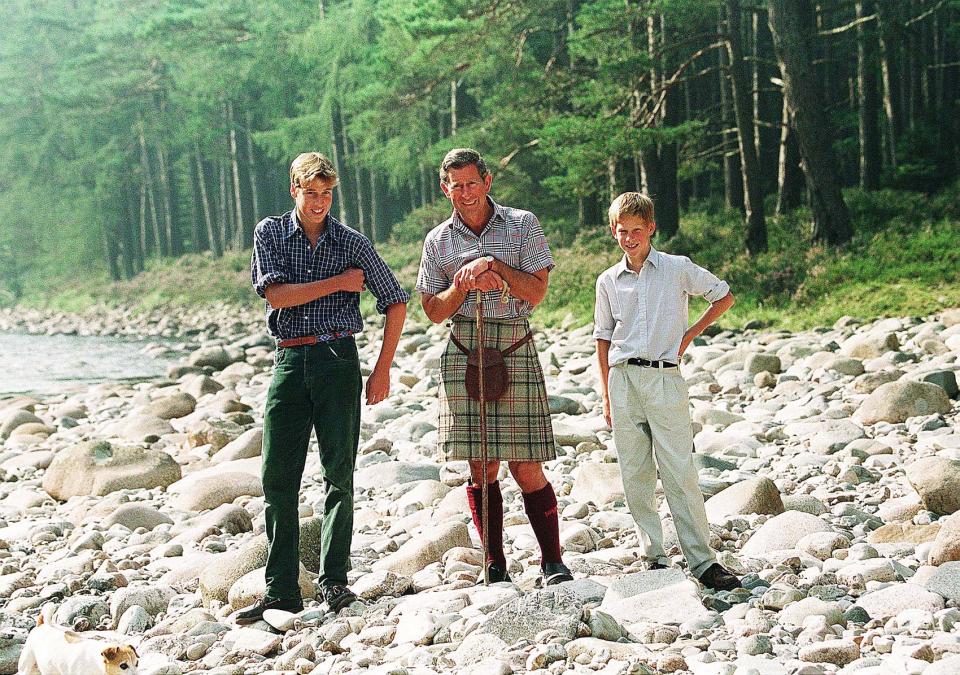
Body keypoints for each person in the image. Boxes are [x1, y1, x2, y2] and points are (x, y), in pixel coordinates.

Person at [240, 152, 409, 624]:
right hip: (290, 359)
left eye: (327, 193)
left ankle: (334, 581)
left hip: (339, 361)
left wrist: (382, 370)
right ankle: (281, 591)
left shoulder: (351, 240)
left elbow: (395, 301)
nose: (319, 202)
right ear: (294, 190)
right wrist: (341, 284)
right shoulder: (269, 233)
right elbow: (277, 295)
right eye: (311, 192)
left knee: (339, 474)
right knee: (278, 478)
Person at [416, 148, 573, 586]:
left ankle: (553, 561)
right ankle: (493, 563)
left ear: (487, 182)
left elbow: (537, 291)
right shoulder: (438, 241)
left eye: (471, 183)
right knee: (481, 465)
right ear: (444, 188)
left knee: (525, 464)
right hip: (465, 348)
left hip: (513, 342)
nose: (464, 193)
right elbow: (432, 309)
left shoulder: (522, 224)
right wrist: (463, 284)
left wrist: (497, 269)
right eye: (455, 185)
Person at [594, 192, 741, 591]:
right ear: (613, 231)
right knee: (635, 473)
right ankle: (653, 557)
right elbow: (603, 338)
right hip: (623, 379)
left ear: (651, 228)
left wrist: (690, 334)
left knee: (679, 470)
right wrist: (606, 394)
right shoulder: (607, 280)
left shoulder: (676, 269)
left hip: (664, 377)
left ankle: (703, 561)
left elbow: (723, 295)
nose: (629, 239)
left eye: (636, 231)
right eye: (622, 231)